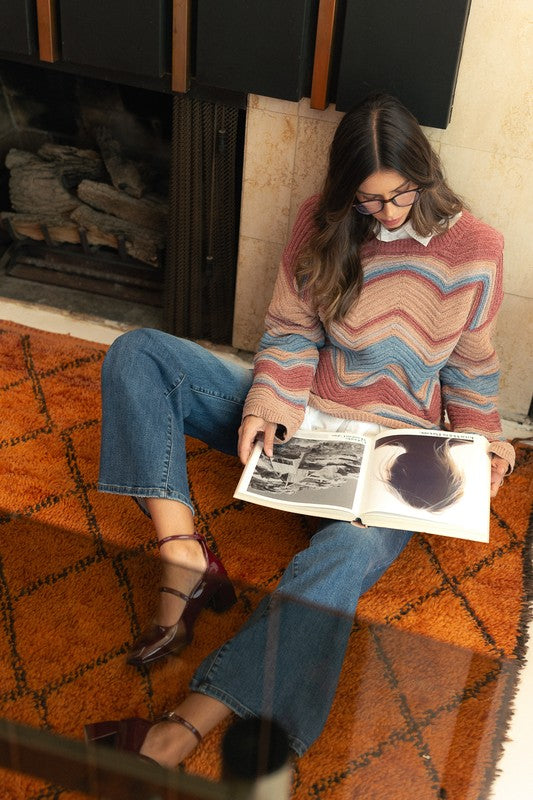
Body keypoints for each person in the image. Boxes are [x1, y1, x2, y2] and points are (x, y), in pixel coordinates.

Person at [84, 93, 514, 767]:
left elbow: (470, 367)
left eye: (399, 195)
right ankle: (185, 558)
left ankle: (183, 727)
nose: (387, 213)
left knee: (341, 559)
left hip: (390, 451)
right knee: (141, 354)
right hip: (303, 416)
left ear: (424, 173)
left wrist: (485, 446)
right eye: (369, 201)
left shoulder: (477, 248)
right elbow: (291, 331)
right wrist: (268, 406)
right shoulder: (324, 220)